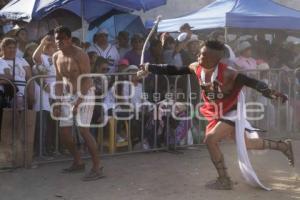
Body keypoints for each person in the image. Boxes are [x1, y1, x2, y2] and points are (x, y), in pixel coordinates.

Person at [137, 40, 294, 190]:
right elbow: (173, 70)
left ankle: (224, 179)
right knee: (248, 144)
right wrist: (149, 67)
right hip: (215, 112)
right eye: (200, 53)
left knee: (211, 139)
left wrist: (270, 93)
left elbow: (252, 82)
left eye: (204, 55)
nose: (199, 57)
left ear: (215, 59)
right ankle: (283, 146)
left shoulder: (228, 73)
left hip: (231, 112)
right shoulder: (195, 66)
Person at [52, 26, 103, 181]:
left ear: (68, 39)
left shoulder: (80, 54)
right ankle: (78, 161)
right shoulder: (56, 56)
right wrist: (58, 101)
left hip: (85, 93)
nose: (58, 41)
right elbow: (59, 80)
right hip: (68, 95)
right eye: (56, 38)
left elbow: (87, 79)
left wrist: (79, 100)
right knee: (64, 133)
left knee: (83, 130)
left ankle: (97, 166)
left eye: (61, 38)